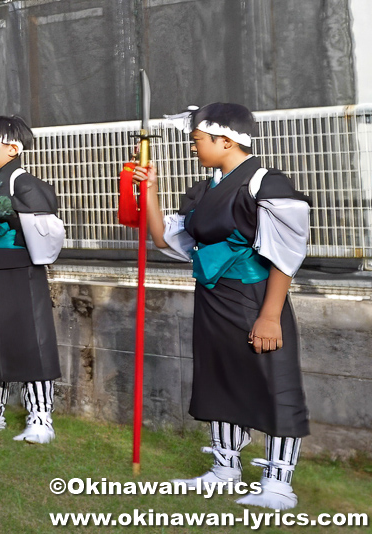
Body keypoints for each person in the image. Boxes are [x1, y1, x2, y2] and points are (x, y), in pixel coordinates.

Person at [132, 103, 310, 510]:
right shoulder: (205, 187)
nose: (192, 147)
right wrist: (152, 190)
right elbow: (164, 240)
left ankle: (278, 483)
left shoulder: (266, 183)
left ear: (225, 140)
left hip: (255, 299)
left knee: (272, 383)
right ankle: (225, 468)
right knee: (219, 379)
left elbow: (285, 255)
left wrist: (269, 316)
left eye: (198, 140)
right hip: (212, 298)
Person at [0, 115, 61, 444]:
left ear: (12, 149)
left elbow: (43, 225)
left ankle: (40, 418)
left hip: (19, 273)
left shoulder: (25, 184)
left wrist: (5, 212)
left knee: (31, 344)